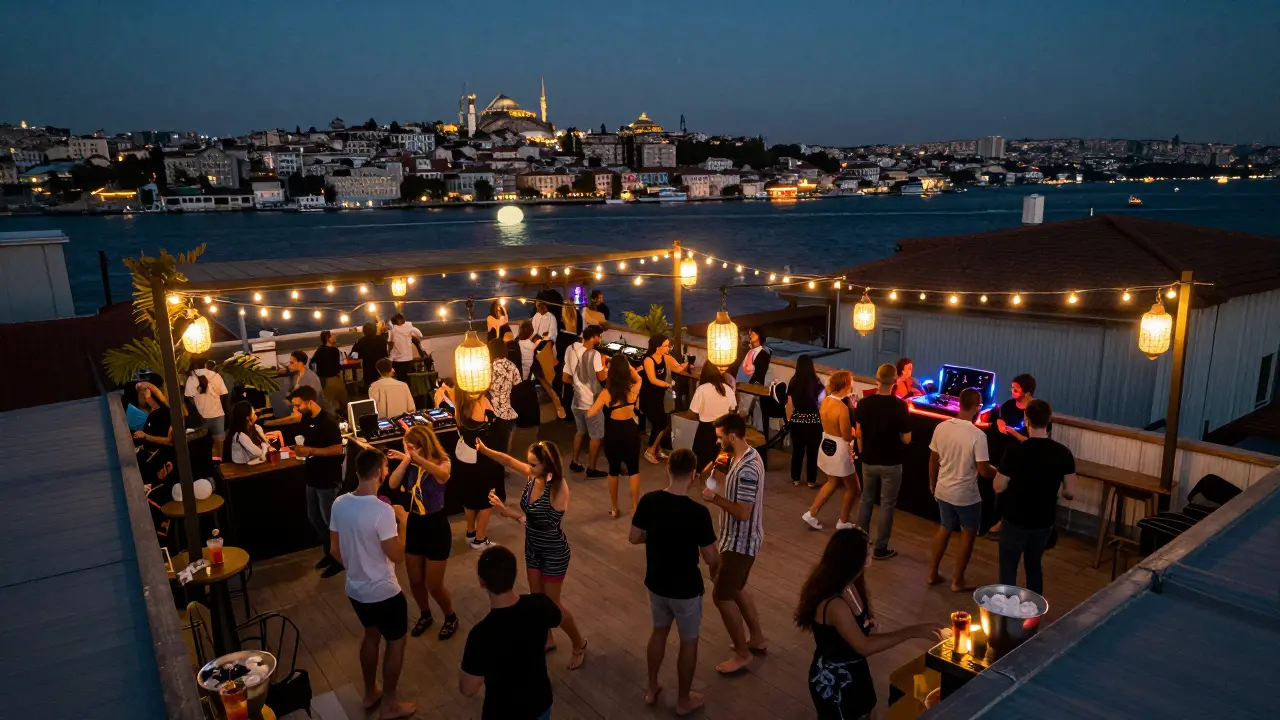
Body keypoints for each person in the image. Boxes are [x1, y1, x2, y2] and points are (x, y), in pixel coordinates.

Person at [796, 528, 940, 720]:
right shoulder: (835, 604)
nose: (871, 547)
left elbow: (861, 627)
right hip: (837, 679)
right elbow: (863, 646)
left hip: (855, 668)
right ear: (854, 559)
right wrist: (913, 631)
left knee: (868, 709)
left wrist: (867, 624)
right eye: (867, 547)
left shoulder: (850, 583)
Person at [480, 439, 589, 670]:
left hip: (553, 551)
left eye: (533, 464)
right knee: (537, 599)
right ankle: (548, 639)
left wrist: (509, 513)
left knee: (552, 604)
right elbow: (508, 461)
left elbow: (546, 526)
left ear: (547, 464)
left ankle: (579, 643)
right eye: (528, 463)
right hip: (533, 548)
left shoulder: (559, 488)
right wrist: (485, 449)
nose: (528, 468)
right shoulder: (534, 477)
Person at [328, 448, 416, 720]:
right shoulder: (383, 510)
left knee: (370, 634)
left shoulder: (340, 503)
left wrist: (357, 568)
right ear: (379, 472)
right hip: (385, 592)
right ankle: (390, 704)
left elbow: (334, 550)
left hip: (356, 590)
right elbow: (397, 555)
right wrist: (404, 522)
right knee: (396, 643)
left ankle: (369, 694)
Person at [631, 449, 719, 715]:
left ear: (668, 468)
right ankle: (683, 700)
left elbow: (635, 537)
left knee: (659, 631)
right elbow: (711, 555)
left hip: (656, 582)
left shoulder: (649, 501)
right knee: (688, 641)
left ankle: (651, 687)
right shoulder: (698, 512)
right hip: (686, 588)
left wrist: (657, 536)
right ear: (693, 474)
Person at [459, 546, 563, 720]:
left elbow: (468, 688)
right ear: (515, 573)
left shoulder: (481, 634)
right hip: (540, 701)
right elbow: (557, 619)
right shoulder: (540, 604)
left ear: (481, 582)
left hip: (503, 711)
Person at [701, 412, 767, 674]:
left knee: (721, 595)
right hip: (734, 539)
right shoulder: (741, 457)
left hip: (741, 542)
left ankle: (742, 654)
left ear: (731, 436)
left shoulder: (748, 468)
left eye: (720, 438)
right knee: (736, 588)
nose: (718, 442)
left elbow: (743, 512)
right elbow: (706, 477)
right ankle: (758, 638)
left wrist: (713, 499)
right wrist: (716, 466)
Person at [994, 399, 1077, 595]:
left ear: (1026, 420)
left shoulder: (1015, 450)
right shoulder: (1062, 452)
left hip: (1015, 518)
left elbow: (998, 486)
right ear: (1049, 420)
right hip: (1043, 520)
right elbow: (1070, 492)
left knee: (1008, 569)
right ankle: (1033, 615)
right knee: (1034, 567)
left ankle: (1006, 616)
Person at [386, 426, 459, 640]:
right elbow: (392, 483)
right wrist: (407, 459)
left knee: (434, 585)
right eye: (405, 446)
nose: (407, 450)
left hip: (436, 526)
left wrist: (417, 459)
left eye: (411, 446)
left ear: (422, 445)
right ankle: (425, 615)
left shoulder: (442, 461)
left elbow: (443, 475)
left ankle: (450, 616)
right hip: (416, 524)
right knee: (415, 580)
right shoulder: (409, 463)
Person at [926, 388, 996, 592]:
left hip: (943, 489)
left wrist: (932, 483)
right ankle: (958, 581)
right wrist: (998, 472)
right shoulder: (978, 435)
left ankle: (931, 573)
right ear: (977, 407)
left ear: (959, 403)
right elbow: (984, 470)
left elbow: (933, 459)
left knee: (945, 527)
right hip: (966, 495)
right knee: (968, 532)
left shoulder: (941, 427)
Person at [854, 363, 913, 560]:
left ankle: (860, 544)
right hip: (891, 461)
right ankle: (880, 548)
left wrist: (862, 453)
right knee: (887, 504)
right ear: (895, 381)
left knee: (866, 500)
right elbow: (907, 438)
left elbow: (859, 433)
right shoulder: (900, 406)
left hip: (868, 459)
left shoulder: (864, 404)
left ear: (877, 380)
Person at [290, 385, 347, 577]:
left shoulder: (329, 421)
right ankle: (329, 553)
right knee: (315, 518)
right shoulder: (307, 419)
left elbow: (339, 449)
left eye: (298, 405)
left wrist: (311, 451)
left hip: (328, 479)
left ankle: (340, 559)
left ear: (310, 402)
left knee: (330, 521)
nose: (296, 409)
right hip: (312, 477)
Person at [587, 354, 644, 517]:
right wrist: (630, 368)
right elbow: (638, 378)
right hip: (631, 430)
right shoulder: (633, 388)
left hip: (613, 432)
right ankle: (634, 507)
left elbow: (591, 413)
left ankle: (614, 508)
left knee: (613, 470)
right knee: (634, 470)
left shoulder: (606, 393)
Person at [803, 370, 860, 531]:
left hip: (826, 442)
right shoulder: (842, 408)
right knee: (853, 488)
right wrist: (854, 432)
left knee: (832, 482)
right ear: (847, 385)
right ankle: (843, 521)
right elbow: (847, 435)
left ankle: (812, 512)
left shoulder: (826, 401)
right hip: (840, 449)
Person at [455, 386, 501, 550]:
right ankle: (480, 539)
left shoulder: (459, 405)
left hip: (466, 460)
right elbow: (493, 422)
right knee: (487, 500)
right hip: (484, 460)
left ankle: (470, 533)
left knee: (470, 498)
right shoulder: (481, 403)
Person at [563, 325, 608, 477]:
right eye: (599, 336)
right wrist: (605, 366)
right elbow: (602, 378)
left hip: (576, 402)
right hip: (591, 403)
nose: (600, 339)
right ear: (594, 337)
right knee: (596, 436)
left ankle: (574, 461)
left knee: (580, 431)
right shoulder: (594, 354)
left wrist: (578, 385)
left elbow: (565, 377)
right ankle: (592, 468)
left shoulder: (571, 349)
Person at [641, 334, 691, 465]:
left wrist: (687, 363)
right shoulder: (648, 360)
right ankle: (650, 450)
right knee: (659, 423)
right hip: (648, 396)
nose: (668, 348)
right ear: (658, 347)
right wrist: (668, 385)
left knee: (662, 421)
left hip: (659, 396)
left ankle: (657, 448)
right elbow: (652, 379)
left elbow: (679, 368)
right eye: (666, 346)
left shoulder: (666, 358)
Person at [689, 361, 737, 470]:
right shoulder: (728, 389)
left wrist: (700, 416)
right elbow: (733, 410)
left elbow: (691, 413)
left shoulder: (702, 389)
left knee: (702, 461)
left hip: (705, 429)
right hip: (723, 429)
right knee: (720, 461)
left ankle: (703, 479)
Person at [787, 355, 824, 488]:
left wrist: (790, 419)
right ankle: (811, 481)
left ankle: (796, 478)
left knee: (797, 451)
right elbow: (822, 403)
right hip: (813, 421)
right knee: (812, 452)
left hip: (797, 420)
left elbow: (789, 404)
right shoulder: (817, 382)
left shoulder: (793, 381)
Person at [265, 351, 324, 428]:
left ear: (300, 363)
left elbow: (310, 407)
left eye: (292, 363)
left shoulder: (311, 379)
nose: (289, 366)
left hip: (309, 420)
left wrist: (270, 423)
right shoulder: (294, 376)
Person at [486, 337, 520, 458]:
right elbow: (517, 384)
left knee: (495, 445)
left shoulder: (489, 368)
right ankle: (505, 464)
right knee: (506, 443)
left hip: (493, 411)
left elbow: (484, 388)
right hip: (508, 411)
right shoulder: (512, 365)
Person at [735, 328, 772, 430]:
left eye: (753, 333)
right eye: (750, 332)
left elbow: (760, 373)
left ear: (759, 336)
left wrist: (750, 385)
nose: (750, 334)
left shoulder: (763, 353)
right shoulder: (749, 351)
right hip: (741, 386)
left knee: (744, 413)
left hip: (751, 387)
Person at [184, 360, 228, 446]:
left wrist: (199, 405)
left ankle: (208, 459)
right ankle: (217, 459)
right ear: (205, 364)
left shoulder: (191, 378)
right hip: (218, 414)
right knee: (218, 444)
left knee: (204, 444)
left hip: (202, 416)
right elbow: (224, 394)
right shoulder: (215, 376)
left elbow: (189, 397)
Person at [311, 330, 350, 413]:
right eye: (332, 336)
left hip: (322, 380)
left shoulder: (319, 350)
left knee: (328, 404)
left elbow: (312, 363)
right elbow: (337, 366)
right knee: (343, 400)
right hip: (332, 379)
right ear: (328, 338)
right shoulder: (334, 350)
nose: (335, 336)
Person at [996, 374, 1039, 443]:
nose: (1012, 391)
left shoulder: (1035, 410)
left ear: (1027, 393)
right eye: (1012, 388)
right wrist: (999, 421)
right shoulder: (1009, 404)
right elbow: (999, 415)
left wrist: (1015, 434)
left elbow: (1032, 441)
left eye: (1015, 390)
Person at [351, 321, 389, 392]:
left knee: (372, 390)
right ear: (375, 330)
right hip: (381, 369)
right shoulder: (382, 339)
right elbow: (386, 354)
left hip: (368, 371)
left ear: (364, 331)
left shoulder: (361, 341)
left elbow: (354, 356)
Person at [387, 313, 423, 381]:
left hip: (397, 360)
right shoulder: (409, 327)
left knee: (400, 379)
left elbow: (390, 341)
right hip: (409, 358)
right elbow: (420, 335)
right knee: (409, 379)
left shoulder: (393, 330)